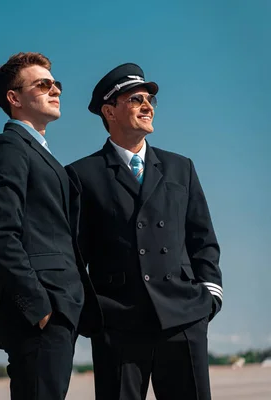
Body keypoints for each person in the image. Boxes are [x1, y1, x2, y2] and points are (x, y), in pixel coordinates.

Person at [66, 63, 223, 400]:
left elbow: (203, 239)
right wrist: (90, 314)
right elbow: (74, 254)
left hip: (183, 316)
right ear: (109, 111)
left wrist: (209, 295)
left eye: (150, 99)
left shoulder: (181, 167)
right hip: (119, 323)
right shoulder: (81, 174)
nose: (147, 105)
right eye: (135, 99)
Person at [0, 52, 101, 400]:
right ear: (14, 98)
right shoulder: (8, 148)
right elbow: (0, 233)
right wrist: (38, 307)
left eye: (55, 83)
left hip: (61, 307)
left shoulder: (40, 153)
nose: (54, 90)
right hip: (43, 310)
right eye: (42, 84)